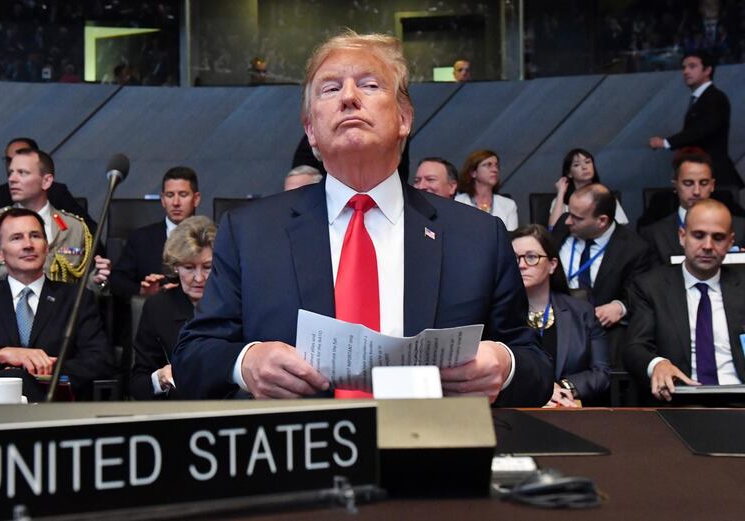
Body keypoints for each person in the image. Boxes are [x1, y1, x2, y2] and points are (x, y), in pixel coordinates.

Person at [172, 31, 552, 406]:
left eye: (369, 85)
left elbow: (535, 366)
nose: (350, 97)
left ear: (404, 118)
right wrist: (246, 362)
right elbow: (193, 357)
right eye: (330, 89)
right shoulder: (251, 233)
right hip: (299, 456)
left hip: (432, 455)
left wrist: (505, 364)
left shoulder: (478, 236)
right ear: (311, 130)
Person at [0, 209, 114, 399]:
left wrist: (47, 366)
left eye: (35, 236)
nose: (28, 245)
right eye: (16, 238)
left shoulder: (77, 298)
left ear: (47, 246)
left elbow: (101, 360)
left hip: (54, 411)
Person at [624, 199, 745, 402]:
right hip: (680, 401)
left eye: (718, 237)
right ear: (682, 236)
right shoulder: (651, 287)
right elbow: (635, 347)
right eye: (698, 235)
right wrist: (657, 364)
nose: (708, 246)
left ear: (730, 242)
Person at [0, 148, 110, 289]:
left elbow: (84, 295)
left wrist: (96, 282)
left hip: (61, 311)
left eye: (22, 173)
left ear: (46, 181)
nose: (12, 179)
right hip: (6, 311)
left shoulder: (74, 227)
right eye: (11, 172)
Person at [551, 184, 652, 364]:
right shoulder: (564, 225)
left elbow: (641, 294)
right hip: (554, 323)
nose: (567, 221)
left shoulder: (634, 249)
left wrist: (620, 307)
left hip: (600, 331)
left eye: (577, 218)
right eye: (569, 213)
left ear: (602, 220)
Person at [511, 225, 610, 406]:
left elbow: (601, 373)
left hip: (568, 407)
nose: (522, 265)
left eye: (531, 257)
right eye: (515, 258)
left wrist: (562, 388)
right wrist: (540, 391)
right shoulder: (497, 312)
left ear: (552, 265)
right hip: (517, 409)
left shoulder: (582, 311)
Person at [130, 216, 216, 400]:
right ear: (175, 267)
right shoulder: (158, 307)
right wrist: (159, 378)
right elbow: (137, 384)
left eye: (208, 267)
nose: (199, 278)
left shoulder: (234, 304)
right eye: (189, 267)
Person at [648, 51, 743, 189]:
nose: (686, 71)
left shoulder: (714, 98)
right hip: (703, 173)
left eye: (692, 66)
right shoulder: (700, 99)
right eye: (684, 67)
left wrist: (666, 142)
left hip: (714, 175)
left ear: (707, 70)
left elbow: (701, 130)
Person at [641, 148, 745, 265]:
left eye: (703, 183)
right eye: (688, 183)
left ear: (712, 185)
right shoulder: (654, 235)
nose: (696, 191)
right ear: (675, 185)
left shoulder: (741, 229)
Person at [0, 137, 96, 233]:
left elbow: (88, 231)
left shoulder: (56, 192)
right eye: (9, 161)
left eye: (22, 156)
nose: (14, 164)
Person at [108, 167, 201, 297]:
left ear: (196, 199)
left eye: (183, 195)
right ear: (163, 200)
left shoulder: (212, 238)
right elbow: (117, 280)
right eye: (170, 195)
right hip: (156, 311)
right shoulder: (141, 238)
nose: (175, 202)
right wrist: (143, 291)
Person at [548, 148, 628, 228]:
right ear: (569, 173)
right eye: (576, 165)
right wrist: (561, 192)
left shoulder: (606, 197)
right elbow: (553, 229)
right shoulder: (560, 201)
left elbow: (621, 225)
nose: (584, 167)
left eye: (587, 162)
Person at [454, 150, 519, 231]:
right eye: (488, 165)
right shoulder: (457, 202)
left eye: (496, 165)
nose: (495, 170)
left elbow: (512, 239)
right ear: (473, 172)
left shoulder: (508, 204)